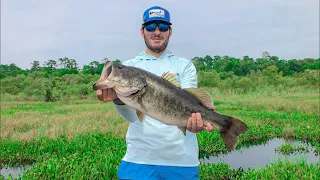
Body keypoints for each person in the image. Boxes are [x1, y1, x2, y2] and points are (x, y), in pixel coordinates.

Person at [96, 6, 216, 180]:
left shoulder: (185, 66)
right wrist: (116, 99)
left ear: (170, 32)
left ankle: (225, 125)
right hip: (139, 159)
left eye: (162, 27)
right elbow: (132, 117)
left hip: (182, 160)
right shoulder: (131, 65)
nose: (157, 32)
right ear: (142, 31)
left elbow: (192, 104)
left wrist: (196, 122)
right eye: (151, 27)